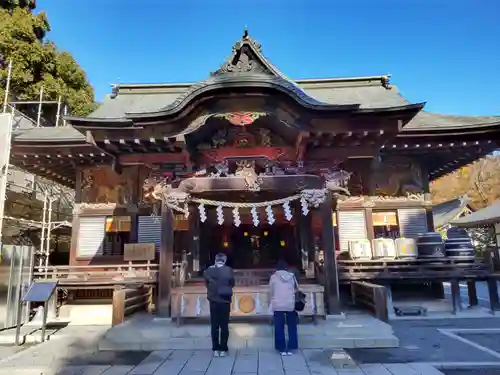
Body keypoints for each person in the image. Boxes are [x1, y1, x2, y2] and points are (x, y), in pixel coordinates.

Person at [203, 252, 235, 357]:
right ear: (224, 260)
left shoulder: (209, 271)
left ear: (215, 260)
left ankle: (215, 349)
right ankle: (223, 349)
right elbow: (232, 283)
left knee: (214, 325)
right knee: (224, 325)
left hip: (213, 300)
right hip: (225, 300)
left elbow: (206, 284)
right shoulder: (229, 270)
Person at [268, 259, 298, 356]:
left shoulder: (273, 277)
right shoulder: (292, 276)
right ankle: (291, 346)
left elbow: (271, 292)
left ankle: (281, 348)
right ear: (286, 267)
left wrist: (270, 302)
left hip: (278, 304)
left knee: (279, 326)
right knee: (292, 326)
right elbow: (296, 289)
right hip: (290, 304)